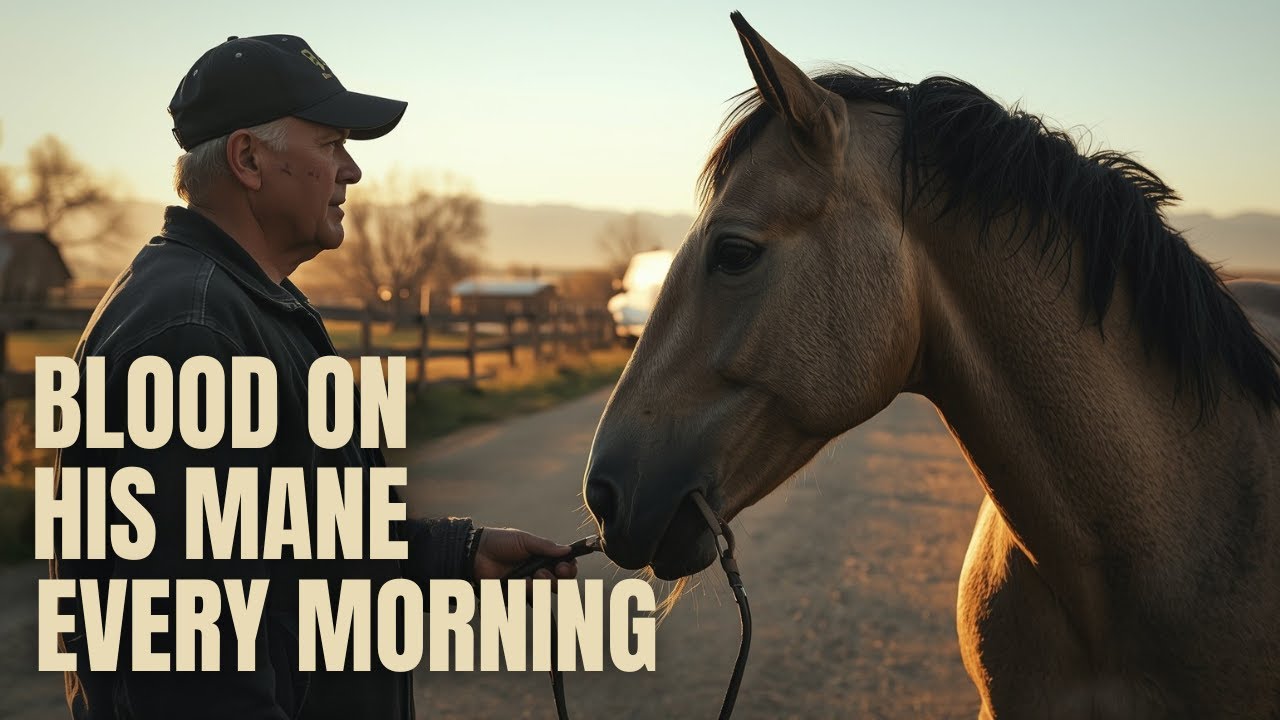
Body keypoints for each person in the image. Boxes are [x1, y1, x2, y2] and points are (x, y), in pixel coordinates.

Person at [52, 35, 577, 719]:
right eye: (331, 145)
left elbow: (295, 537)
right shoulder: (191, 336)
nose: (352, 170)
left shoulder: (256, 306)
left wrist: (456, 554)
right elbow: (192, 671)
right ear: (248, 159)